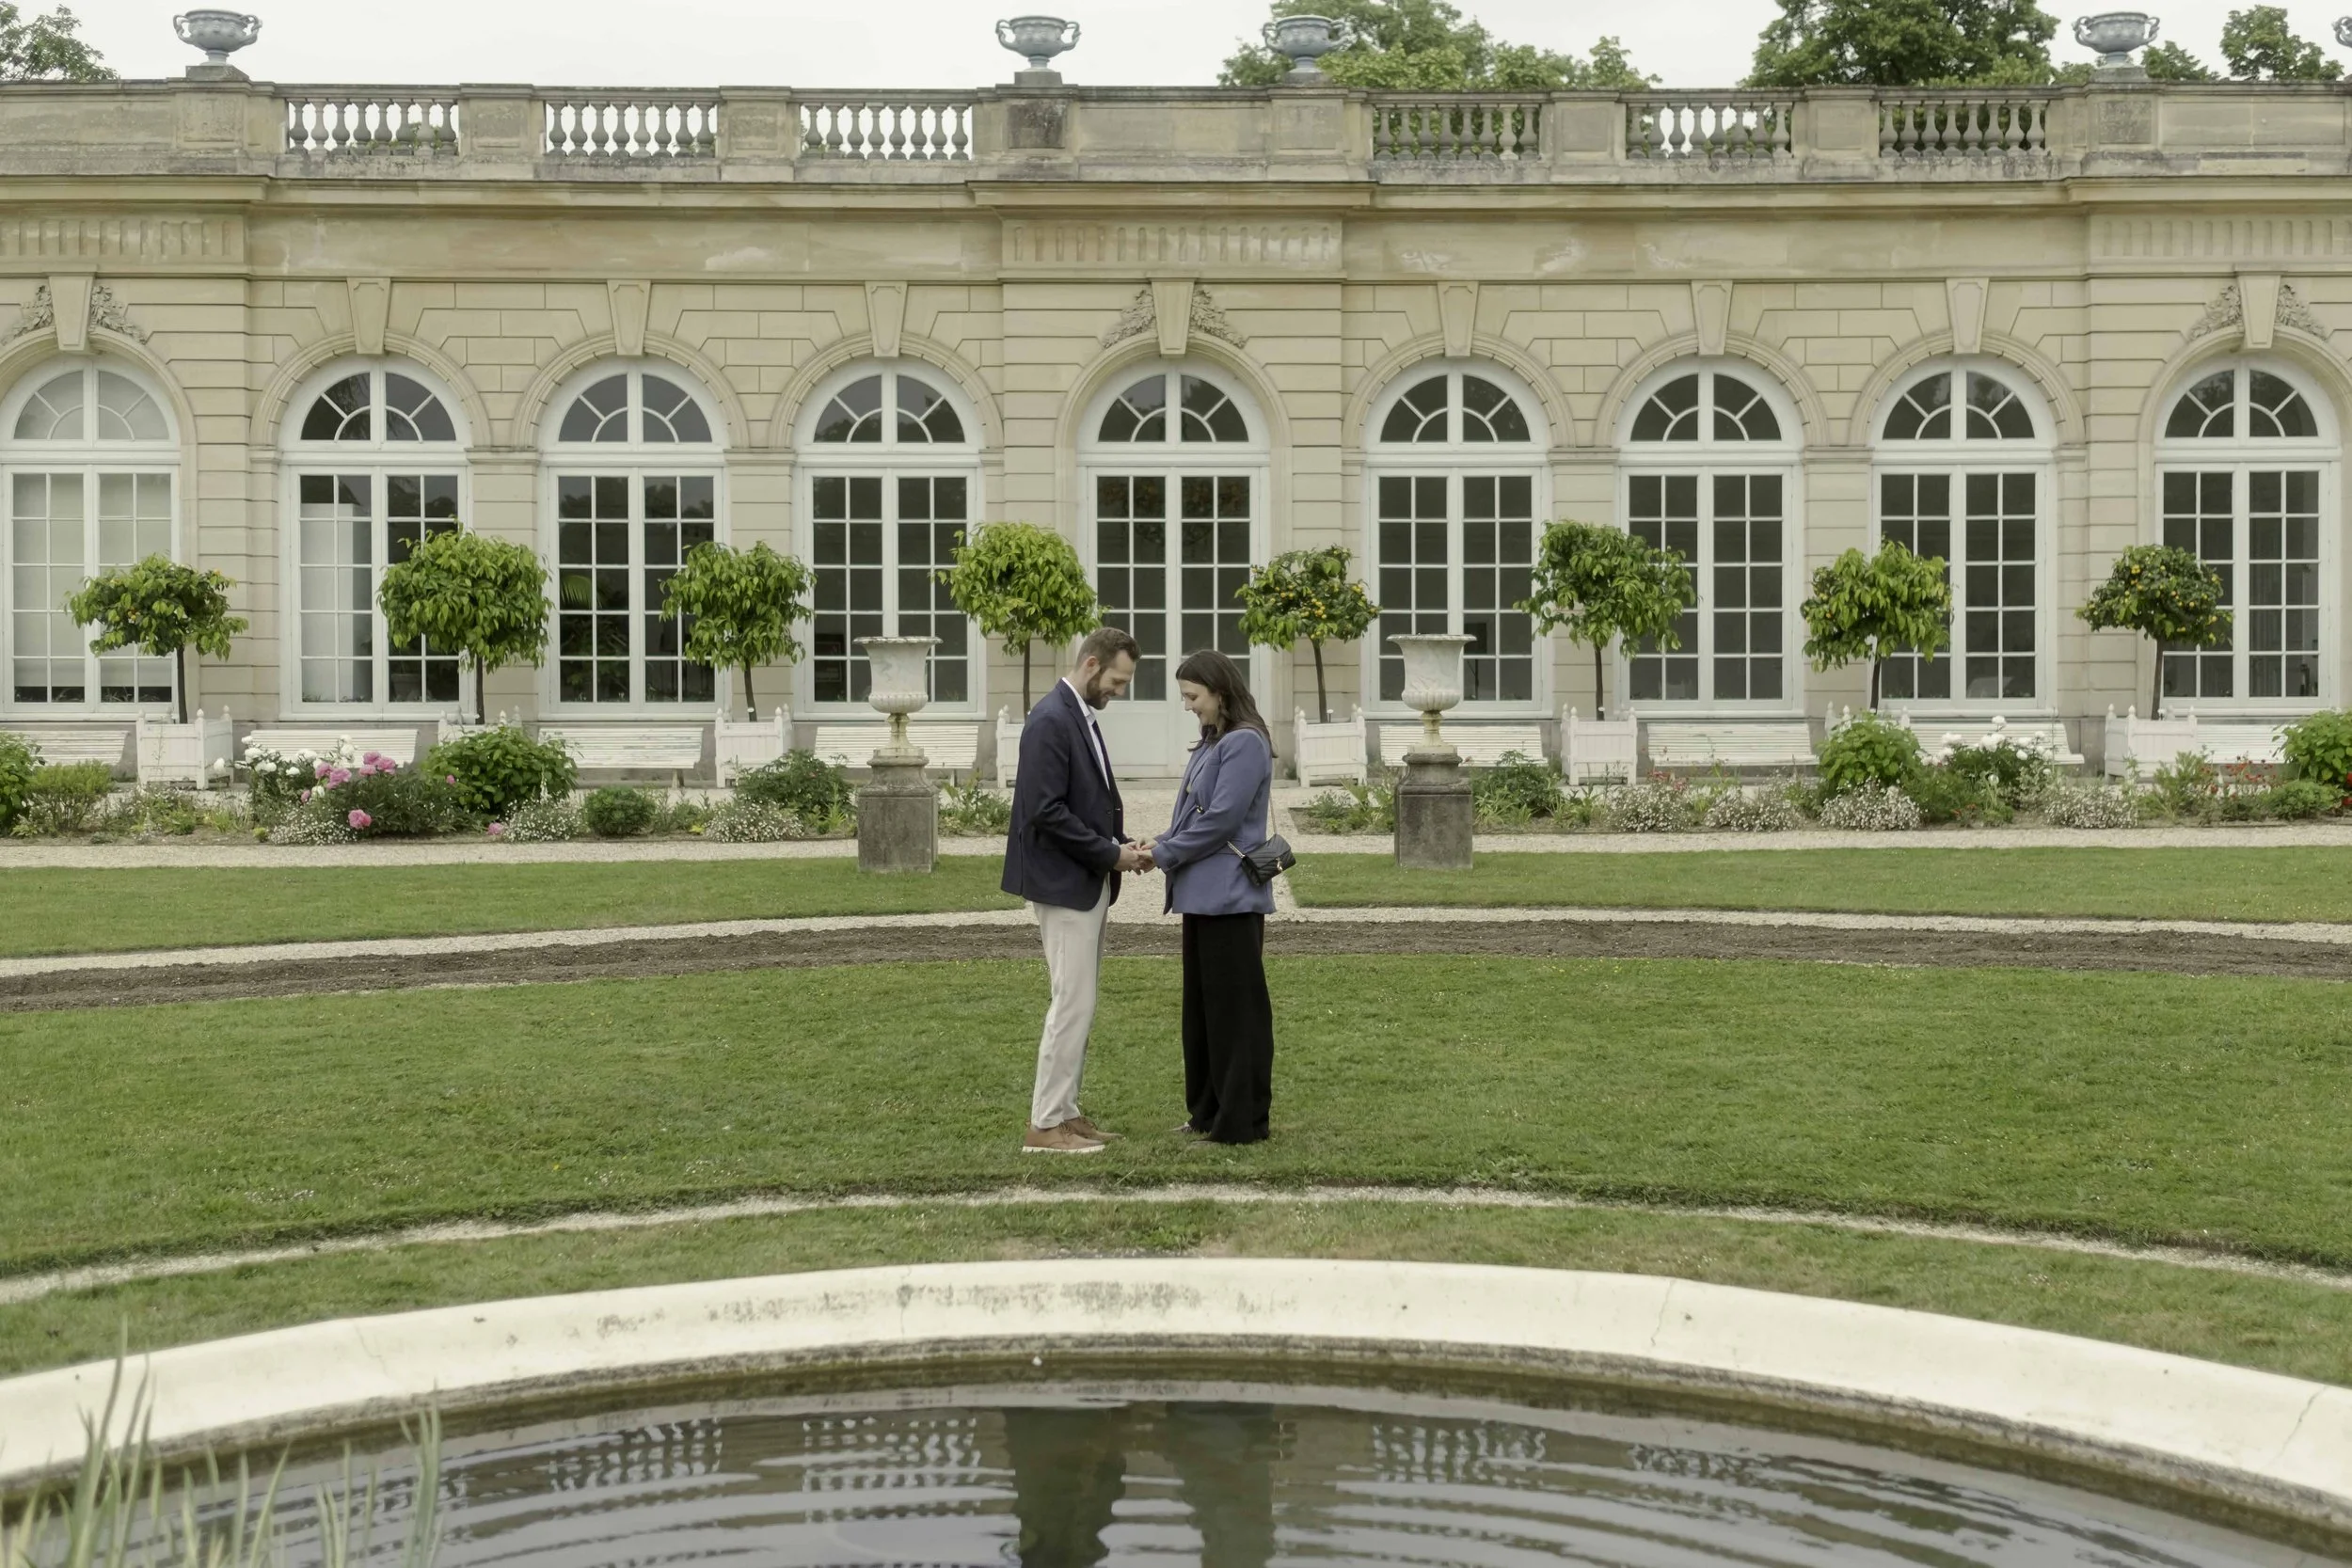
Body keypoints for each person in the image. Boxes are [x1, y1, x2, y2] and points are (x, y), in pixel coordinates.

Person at [1001, 626, 1153, 1155]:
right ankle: (1044, 1125)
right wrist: (1110, 853)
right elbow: (1046, 812)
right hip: (1064, 884)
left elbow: (1083, 801)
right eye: (1117, 679)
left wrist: (1117, 841)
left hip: (1081, 879)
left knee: (1079, 1003)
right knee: (1071, 1003)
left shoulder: (1076, 715)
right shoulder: (1050, 720)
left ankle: (1065, 1112)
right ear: (1091, 665)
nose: (1120, 689)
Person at [1147, 648, 1277, 1145]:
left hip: (1229, 898)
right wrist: (1158, 842)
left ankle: (1240, 1120)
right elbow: (1192, 819)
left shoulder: (1244, 743)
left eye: (1192, 696)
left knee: (1234, 1015)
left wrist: (1164, 855)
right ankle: (1206, 1111)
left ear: (1220, 692)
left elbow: (1222, 820)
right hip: (1202, 896)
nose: (1187, 705)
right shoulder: (1212, 743)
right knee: (1202, 1013)